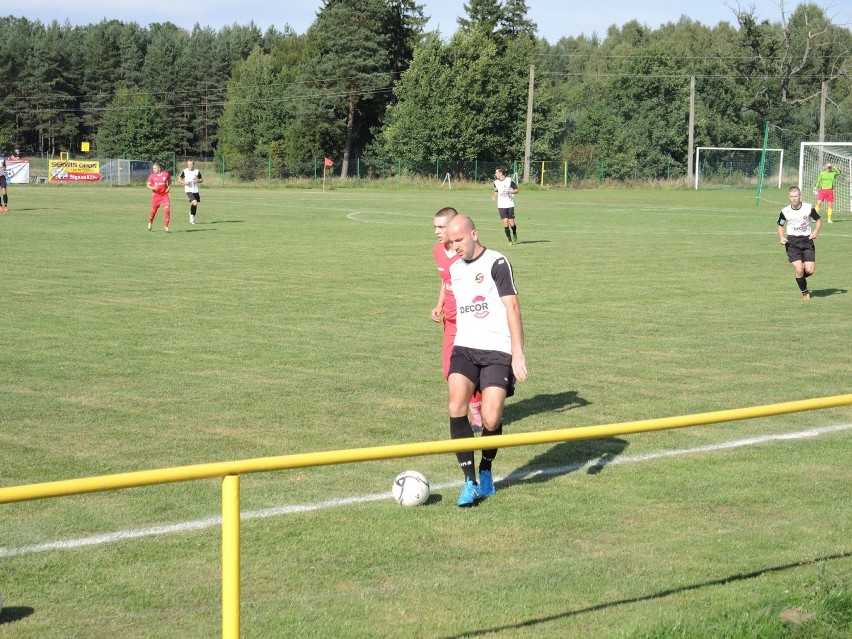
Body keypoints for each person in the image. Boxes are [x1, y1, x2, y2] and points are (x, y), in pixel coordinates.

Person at [444, 214, 528, 506]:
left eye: (459, 240)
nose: (455, 246)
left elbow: (512, 307)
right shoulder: (455, 270)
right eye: (450, 241)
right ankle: (469, 482)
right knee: (456, 405)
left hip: (497, 350)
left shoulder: (497, 262)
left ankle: (487, 467)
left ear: (474, 234)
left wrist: (517, 352)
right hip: (465, 348)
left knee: (491, 418)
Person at [431, 207, 483, 433]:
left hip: (469, 322)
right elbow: (445, 281)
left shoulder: (468, 253)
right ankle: (471, 408)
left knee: (467, 370)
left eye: (441, 227)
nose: (437, 231)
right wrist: (439, 304)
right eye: (435, 227)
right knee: (448, 371)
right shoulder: (438, 252)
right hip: (450, 323)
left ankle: (476, 413)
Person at [777, 186, 821, 301]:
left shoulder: (808, 208)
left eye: (796, 196)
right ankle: (805, 292)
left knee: (810, 270)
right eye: (791, 196)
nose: (794, 198)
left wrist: (815, 231)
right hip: (792, 242)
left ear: (800, 195)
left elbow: (819, 220)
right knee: (799, 268)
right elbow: (780, 225)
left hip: (807, 241)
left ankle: (799, 277)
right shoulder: (785, 211)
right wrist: (782, 237)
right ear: (789, 197)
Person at [492, 167, 519, 245]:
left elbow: (517, 190)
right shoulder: (496, 182)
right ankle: (510, 240)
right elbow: (496, 191)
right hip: (501, 205)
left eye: (496, 172)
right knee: (505, 223)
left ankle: (514, 232)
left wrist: (509, 191)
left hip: (510, 204)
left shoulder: (509, 180)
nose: (495, 174)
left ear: (501, 173)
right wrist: (494, 196)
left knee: (512, 224)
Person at [146, 163, 172, 232]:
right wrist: (153, 187)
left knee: (167, 210)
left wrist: (169, 187)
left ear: (159, 168)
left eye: (155, 168)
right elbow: (148, 186)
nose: (153, 170)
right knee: (154, 211)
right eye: (153, 168)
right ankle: (150, 223)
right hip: (156, 196)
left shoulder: (165, 174)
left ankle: (166, 227)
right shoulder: (152, 176)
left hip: (164, 195)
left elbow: (169, 180)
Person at [177, 159, 203, 225]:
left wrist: (198, 181)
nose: (190, 165)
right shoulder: (184, 171)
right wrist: (185, 182)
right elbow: (179, 179)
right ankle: (191, 217)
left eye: (191, 164)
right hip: (188, 190)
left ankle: (192, 216)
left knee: (195, 204)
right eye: (189, 164)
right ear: (187, 164)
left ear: (193, 164)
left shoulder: (197, 171)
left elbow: (201, 179)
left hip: (195, 190)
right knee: (194, 202)